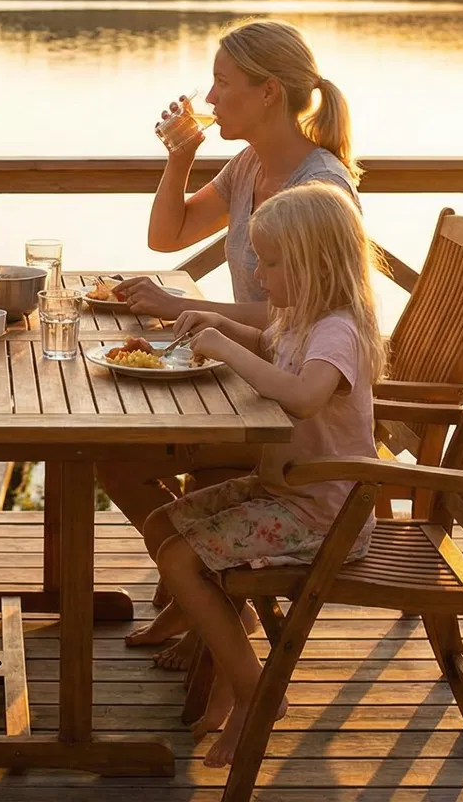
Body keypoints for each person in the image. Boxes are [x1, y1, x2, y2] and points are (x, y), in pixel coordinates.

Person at [100, 18, 363, 669]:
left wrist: (184, 307)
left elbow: (297, 312)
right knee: (112, 453)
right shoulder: (250, 165)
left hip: (286, 410)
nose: (210, 99)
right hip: (252, 382)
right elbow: (170, 235)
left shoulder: (319, 191)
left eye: (223, 83)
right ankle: (199, 598)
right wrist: (180, 158)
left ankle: (209, 605)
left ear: (269, 91)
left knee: (118, 456)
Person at [138, 184, 384, 768]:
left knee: (179, 559)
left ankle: (255, 693)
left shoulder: (338, 331)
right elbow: (270, 349)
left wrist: (225, 349)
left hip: (325, 513)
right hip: (285, 488)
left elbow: (301, 397)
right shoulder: (303, 319)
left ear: (313, 264)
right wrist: (214, 325)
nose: (255, 269)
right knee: (161, 522)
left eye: (269, 260)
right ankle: (229, 638)